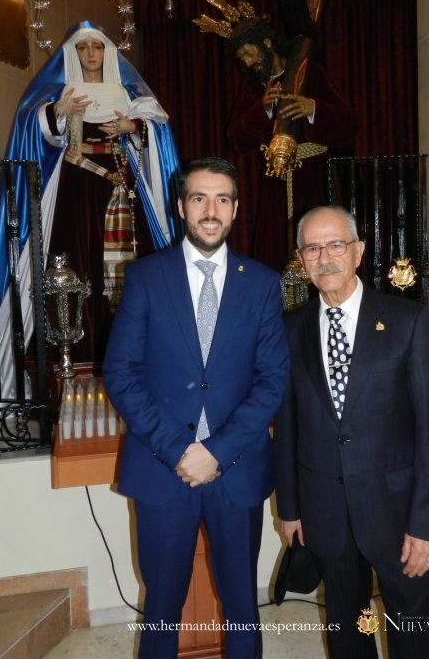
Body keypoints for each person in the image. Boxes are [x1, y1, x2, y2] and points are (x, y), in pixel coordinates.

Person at [103, 157, 290, 659]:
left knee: (241, 607)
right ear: (182, 205)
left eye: (223, 199)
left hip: (237, 470)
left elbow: (272, 380)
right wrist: (181, 449)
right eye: (200, 198)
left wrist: (217, 450)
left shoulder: (262, 283)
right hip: (163, 471)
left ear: (235, 209)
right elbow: (121, 374)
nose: (212, 210)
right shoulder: (144, 277)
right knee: (162, 606)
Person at [273, 206, 429, 659]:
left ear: (358, 251)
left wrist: (428, 524)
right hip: (326, 516)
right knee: (350, 630)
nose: (325, 257)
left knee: (411, 631)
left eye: (336, 244)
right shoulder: (290, 331)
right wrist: (290, 508)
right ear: (301, 257)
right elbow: (288, 425)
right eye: (312, 248)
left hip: (399, 516)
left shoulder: (409, 323)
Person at [0, 21, 179, 390]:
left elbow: (157, 132)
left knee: (134, 268)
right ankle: (75, 357)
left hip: (121, 187)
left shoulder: (128, 92)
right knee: (74, 263)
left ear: (108, 52)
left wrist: (131, 126)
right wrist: (59, 111)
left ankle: (141, 357)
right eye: (83, 48)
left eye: (97, 47)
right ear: (72, 54)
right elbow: (33, 128)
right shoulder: (60, 92)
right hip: (75, 187)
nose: (90, 55)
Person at [226, 18, 359, 271]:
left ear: (266, 43)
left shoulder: (310, 73)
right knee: (275, 253)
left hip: (313, 178)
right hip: (275, 183)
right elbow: (235, 140)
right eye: (241, 57)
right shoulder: (254, 87)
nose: (246, 61)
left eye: (248, 52)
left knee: (317, 245)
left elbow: (351, 124)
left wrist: (314, 109)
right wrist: (261, 109)